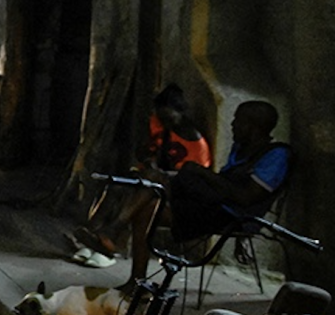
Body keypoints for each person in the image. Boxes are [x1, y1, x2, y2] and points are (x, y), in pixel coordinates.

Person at [118, 100, 289, 285]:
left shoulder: (277, 156)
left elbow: (246, 198)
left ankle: (117, 233)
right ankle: (132, 271)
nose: (232, 125)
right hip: (210, 204)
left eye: (237, 121)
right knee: (151, 179)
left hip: (226, 215)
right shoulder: (242, 148)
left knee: (148, 208)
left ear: (254, 127)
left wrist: (203, 174)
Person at [69, 83, 212, 268]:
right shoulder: (159, 125)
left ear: (182, 113)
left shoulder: (195, 142)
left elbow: (191, 177)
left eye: (170, 119)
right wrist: (147, 158)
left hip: (178, 188)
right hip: (153, 179)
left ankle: (112, 241)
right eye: (162, 118)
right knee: (117, 186)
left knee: (141, 189)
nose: (165, 123)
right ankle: (94, 234)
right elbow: (145, 151)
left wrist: (159, 172)